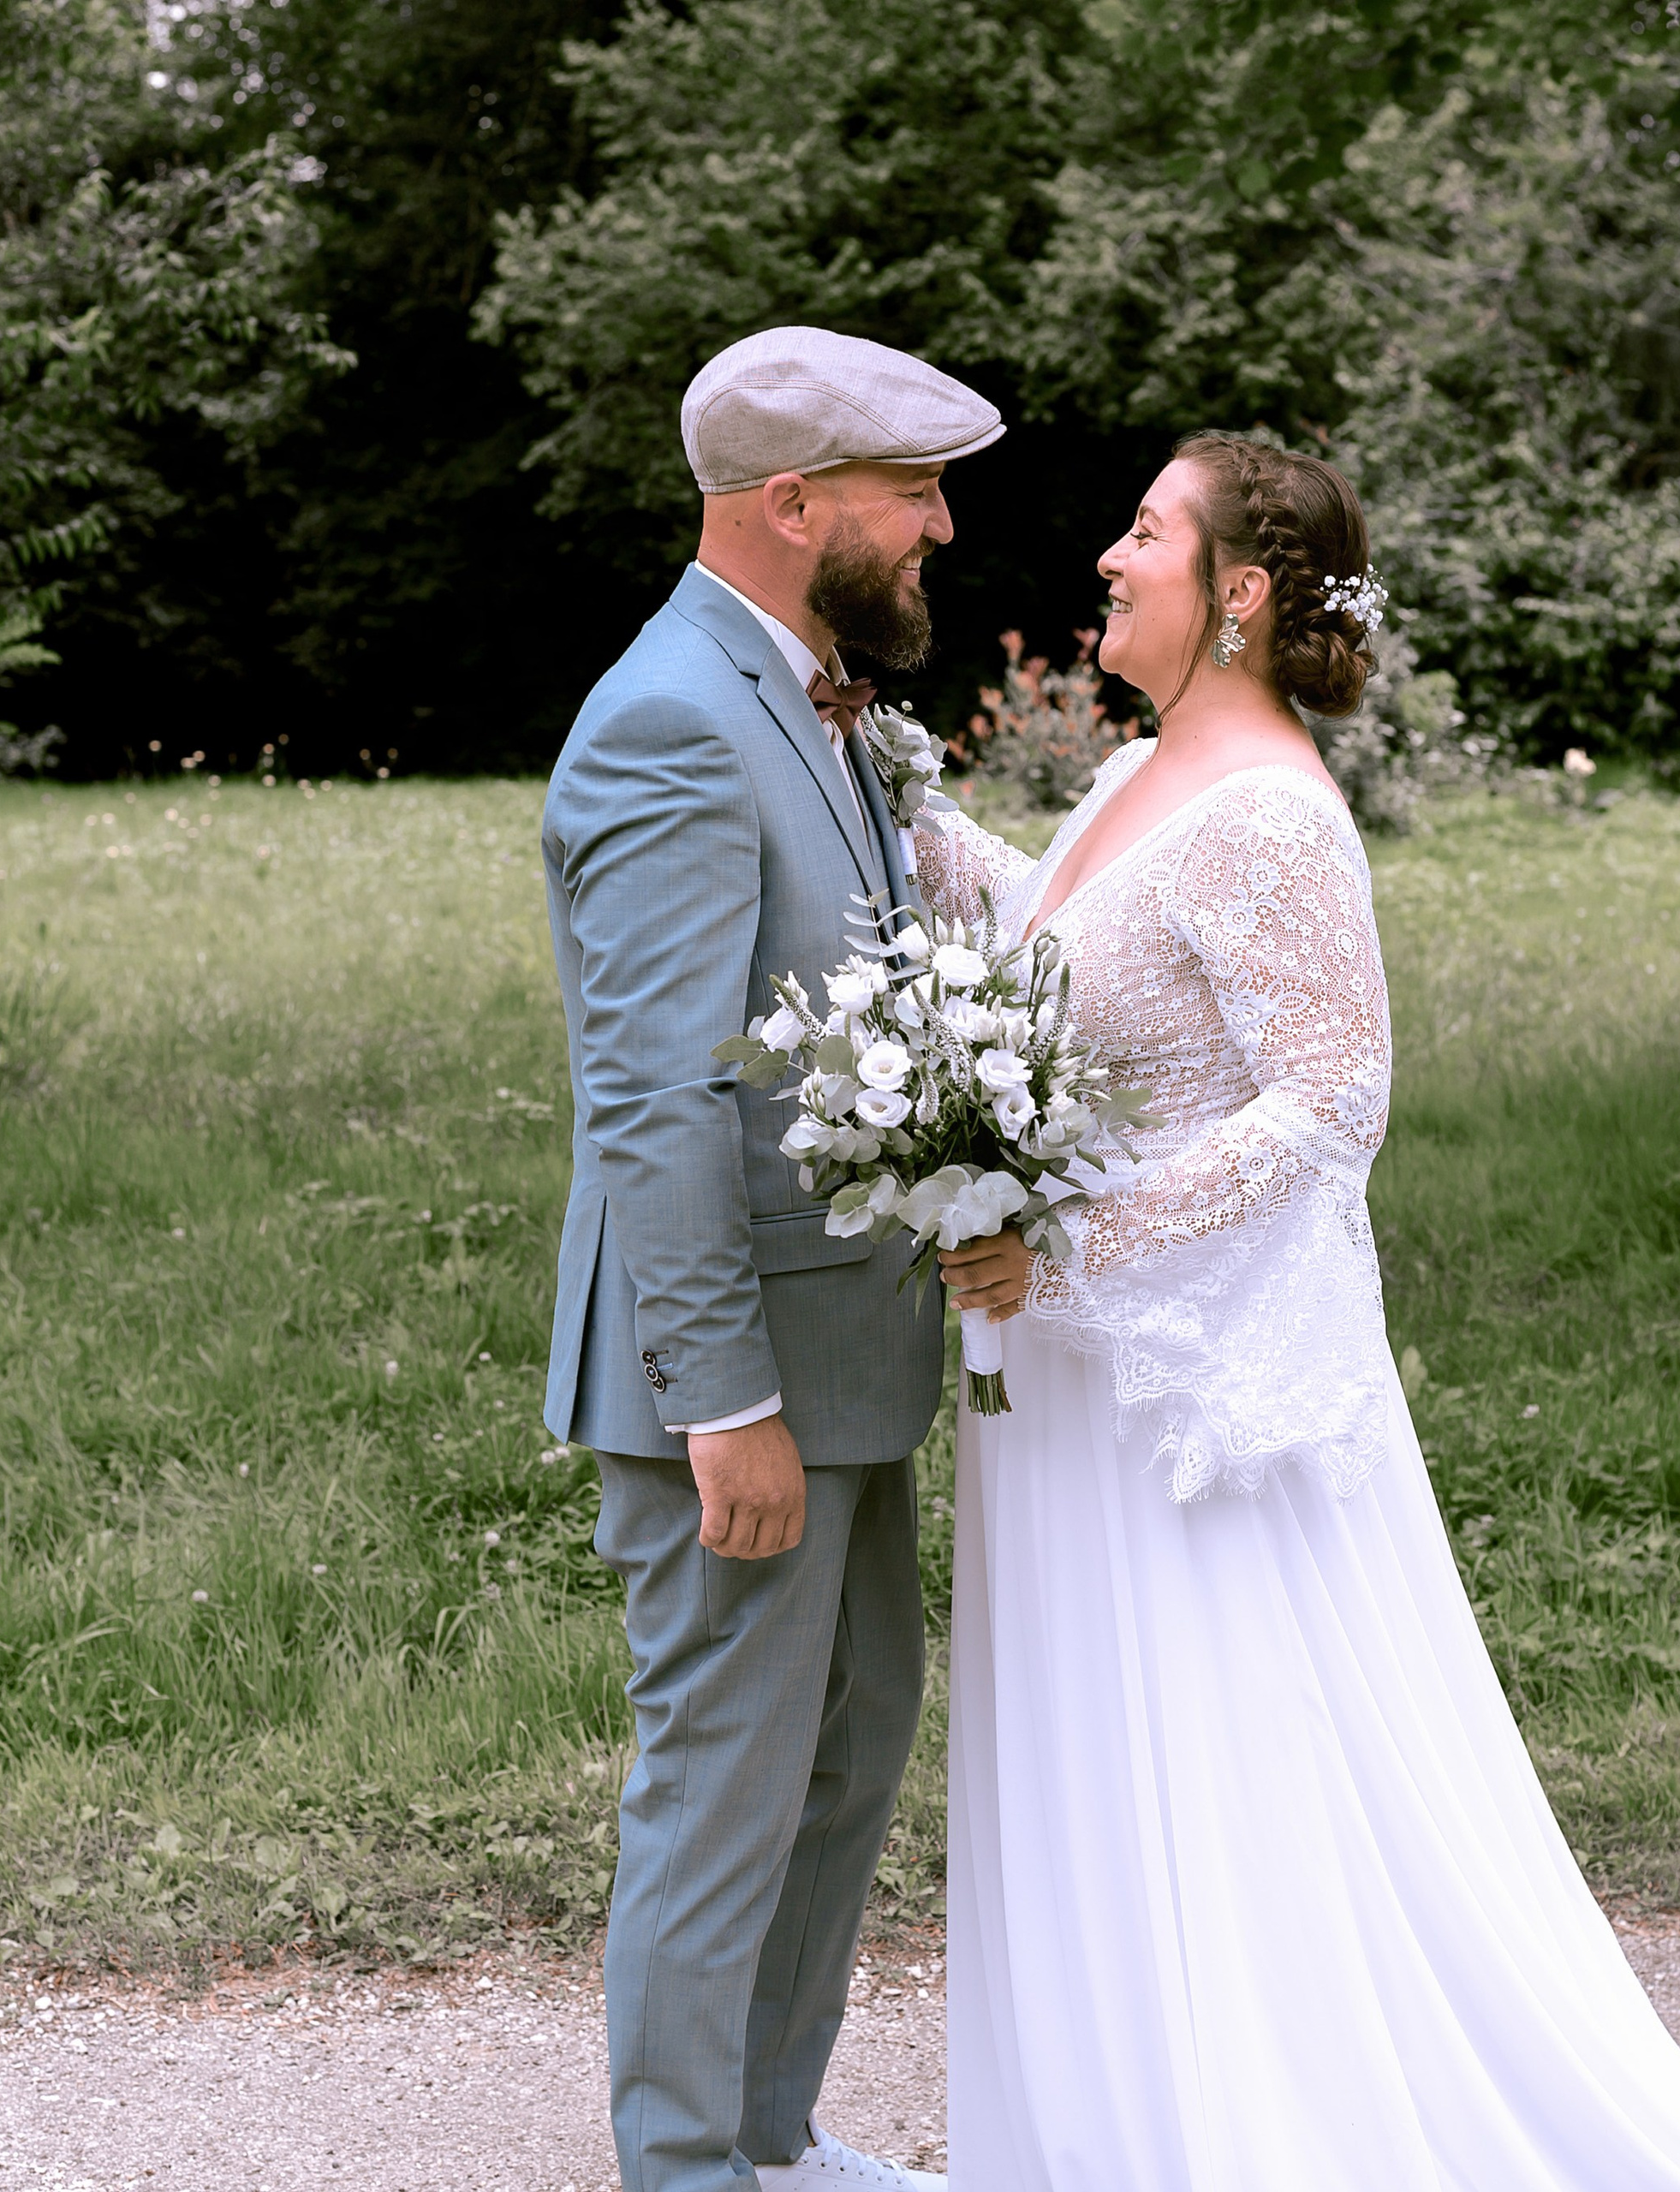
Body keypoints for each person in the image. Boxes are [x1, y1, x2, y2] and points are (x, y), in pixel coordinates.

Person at [918, 432, 1680, 2190]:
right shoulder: (1144, 774)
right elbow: (1058, 934)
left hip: (1190, 1402)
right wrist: (887, 797)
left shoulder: (1266, 810)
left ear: (1238, 593)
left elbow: (1328, 1105)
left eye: (1144, 533)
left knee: (1224, 1766)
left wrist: (1074, 1246)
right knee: (1107, 1773)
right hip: (1087, 1397)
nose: (1106, 556)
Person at [541, 326, 1002, 2192]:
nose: (944, 530)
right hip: (734, 1384)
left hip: (849, 1358)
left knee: (843, 1749)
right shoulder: (666, 713)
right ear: (794, 503)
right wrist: (722, 1400)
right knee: (725, 1786)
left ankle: (769, 2132)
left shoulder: (804, 693)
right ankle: (683, 2166)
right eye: (915, 494)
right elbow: (652, 1097)